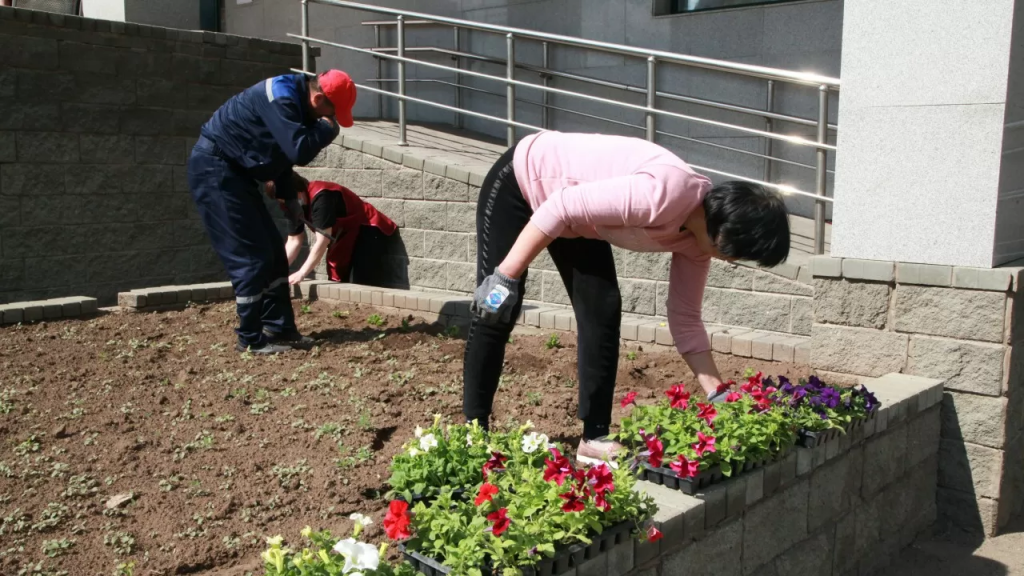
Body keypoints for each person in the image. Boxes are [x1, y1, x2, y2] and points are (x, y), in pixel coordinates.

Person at [464, 131, 790, 464]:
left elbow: (685, 318)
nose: (734, 261)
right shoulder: (664, 194)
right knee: (497, 306)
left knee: (602, 306)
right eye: (740, 253)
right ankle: (473, 434)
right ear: (725, 232)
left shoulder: (697, 244)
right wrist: (505, 277)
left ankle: (594, 437)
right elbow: (560, 204)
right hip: (524, 180)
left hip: (575, 216)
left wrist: (718, 393)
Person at [187, 69, 356, 354]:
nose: (333, 120)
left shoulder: (296, 100)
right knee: (251, 258)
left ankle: (279, 330)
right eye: (333, 113)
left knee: (274, 255)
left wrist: (291, 203)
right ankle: (250, 339)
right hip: (215, 172)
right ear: (317, 98)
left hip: (234, 174)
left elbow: (278, 157)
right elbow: (298, 151)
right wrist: (327, 129)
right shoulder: (281, 97)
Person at [274, 173, 398, 284]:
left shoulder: (321, 197)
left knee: (361, 281)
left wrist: (302, 273)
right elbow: (294, 241)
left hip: (367, 229)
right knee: (336, 277)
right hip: (341, 237)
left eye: (287, 200)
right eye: (282, 202)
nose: (285, 205)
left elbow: (323, 240)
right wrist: (277, 272)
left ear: (297, 191)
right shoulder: (291, 206)